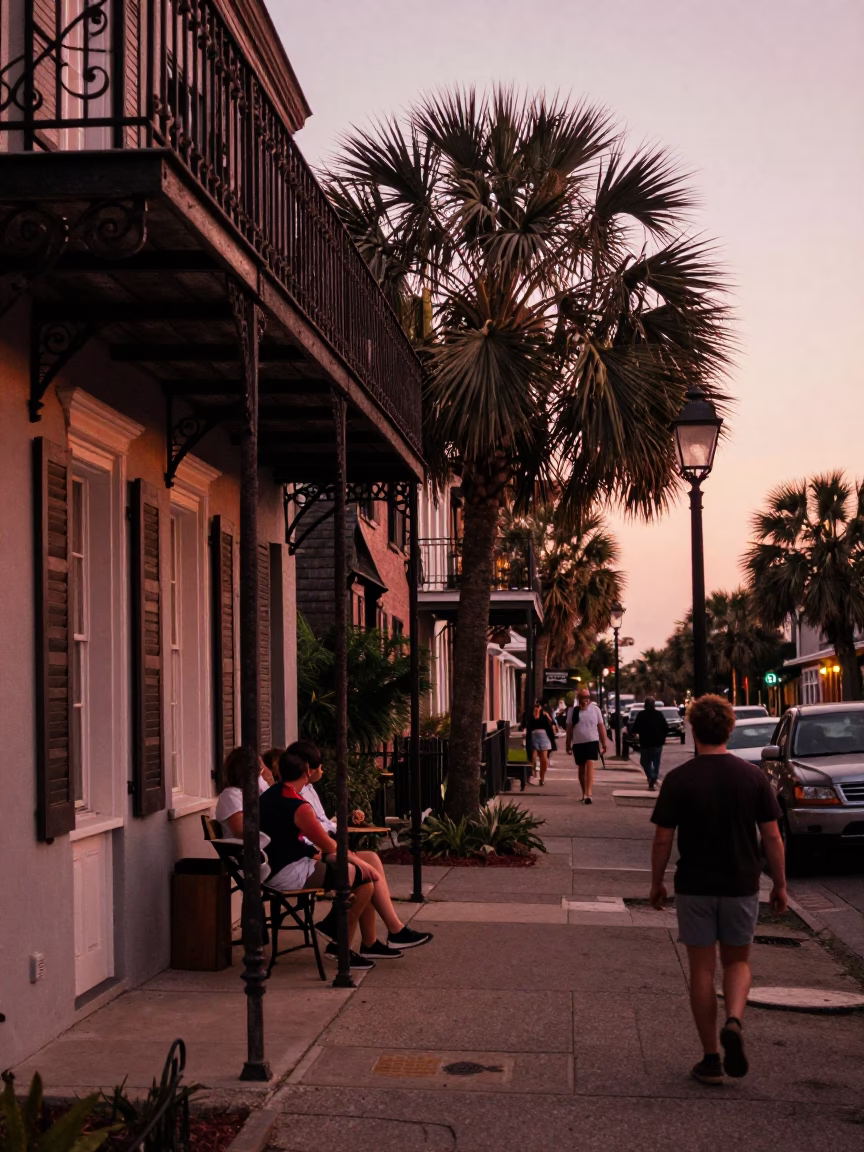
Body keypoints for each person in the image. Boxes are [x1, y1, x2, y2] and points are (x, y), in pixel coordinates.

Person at [649, 694, 787, 1085]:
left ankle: (711, 1059)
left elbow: (663, 838)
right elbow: (773, 837)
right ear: (730, 728)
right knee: (738, 962)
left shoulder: (680, 779)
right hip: (741, 885)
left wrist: (657, 881)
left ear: (693, 729)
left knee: (701, 970)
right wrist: (779, 884)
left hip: (694, 886)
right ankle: (734, 1020)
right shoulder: (752, 777)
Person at [286, 739, 433, 959]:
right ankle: (344, 940)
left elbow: (324, 823)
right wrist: (344, 851)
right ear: (307, 768)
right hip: (311, 856)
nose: (323, 769)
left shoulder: (308, 790)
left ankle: (375, 939)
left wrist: (344, 823)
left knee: (371, 858)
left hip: (323, 847)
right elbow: (310, 834)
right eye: (320, 765)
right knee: (363, 876)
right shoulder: (294, 796)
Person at [260, 752, 380, 971]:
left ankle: (335, 932)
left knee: (360, 877)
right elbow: (328, 844)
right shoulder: (299, 805)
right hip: (288, 872)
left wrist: (320, 854)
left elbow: (285, 838)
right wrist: (359, 862)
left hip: (272, 867)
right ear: (307, 771)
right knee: (363, 882)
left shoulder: (271, 795)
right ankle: (339, 946)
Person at [214, 747, 275, 838]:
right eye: (259, 768)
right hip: (243, 849)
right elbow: (241, 831)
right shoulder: (231, 795)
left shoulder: (250, 793)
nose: (262, 772)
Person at [565, 688, 608, 804]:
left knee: (590, 764)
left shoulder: (595, 709)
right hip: (578, 742)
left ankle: (588, 793)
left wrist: (604, 742)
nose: (585, 700)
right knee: (581, 768)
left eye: (587, 698)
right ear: (578, 699)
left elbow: (601, 726)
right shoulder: (572, 711)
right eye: (582, 698)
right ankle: (584, 793)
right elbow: (569, 728)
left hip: (592, 741)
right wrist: (567, 743)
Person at [630, 697, 669, 790]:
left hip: (645, 743)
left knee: (644, 762)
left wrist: (636, 734)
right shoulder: (659, 715)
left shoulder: (641, 715)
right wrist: (662, 737)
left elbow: (635, 728)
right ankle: (653, 776)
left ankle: (651, 776)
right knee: (656, 762)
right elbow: (666, 728)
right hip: (657, 743)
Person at [519, 700, 557, 785]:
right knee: (533, 757)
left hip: (544, 738)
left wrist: (553, 736)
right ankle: (533, 775)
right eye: (535, 706)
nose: (537, 707)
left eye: (538, 706)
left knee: (544, 759)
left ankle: (542, 777)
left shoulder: (544, 715)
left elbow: (550, 726)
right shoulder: (529, 716)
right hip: (533, 737)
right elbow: (524, 725)